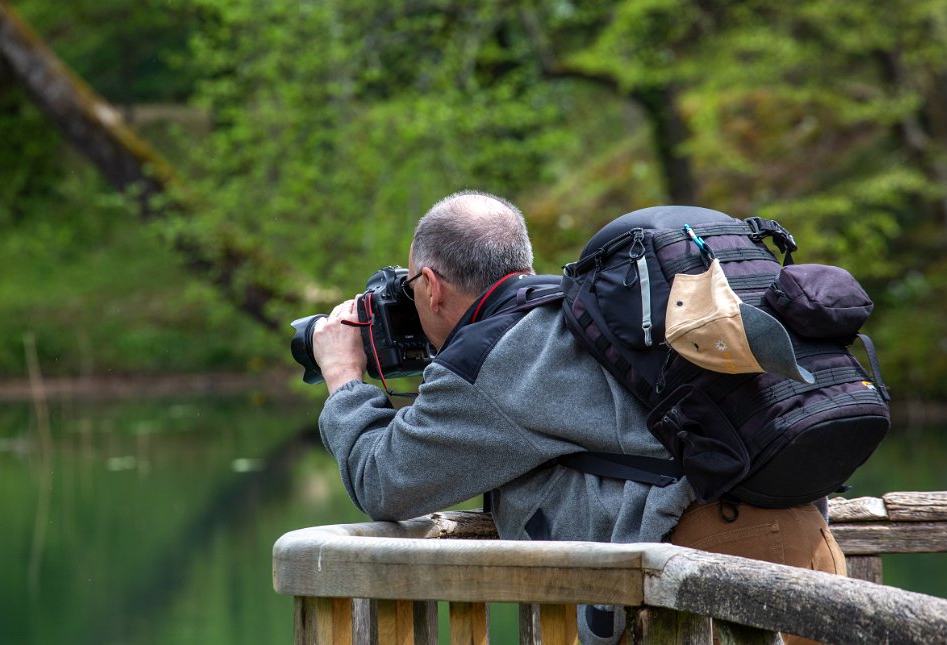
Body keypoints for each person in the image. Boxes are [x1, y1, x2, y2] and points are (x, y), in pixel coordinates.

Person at [311, 189, 845, 645]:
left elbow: (381, 481)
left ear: (431, 284)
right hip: (809, 541)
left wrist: (343, 376)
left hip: (702, 572)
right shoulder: (586, 313)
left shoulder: (492, 358)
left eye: (410, 287)